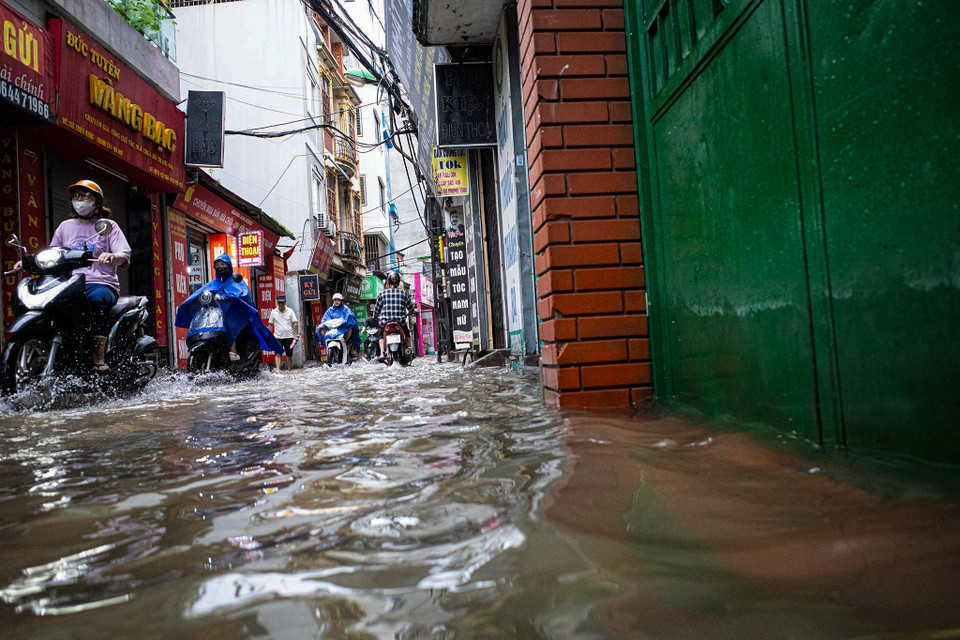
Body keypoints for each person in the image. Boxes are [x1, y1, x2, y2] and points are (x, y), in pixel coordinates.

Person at [14, 180, 131, 372]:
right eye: (77, 196)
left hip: (100, 282)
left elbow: (124, 255)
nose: (80, 200)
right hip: (69, 283)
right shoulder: (65, 226)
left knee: (95, 300)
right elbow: (53, 253)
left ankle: (98, 357)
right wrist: (31, 262)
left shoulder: (108, 226)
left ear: (97, 202)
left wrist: (112, 256)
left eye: (86, 196)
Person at [174, 252, 284, 358]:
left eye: (222, 264)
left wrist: (231, 296)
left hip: (235, 314)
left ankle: (233, 350)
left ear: (228, 266)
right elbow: (199, 294)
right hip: (215, 317)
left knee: (230, 324)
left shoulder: (236, 282)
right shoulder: (212, 283)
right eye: (217, 264)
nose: (219, 267)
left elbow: (244, 294)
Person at [373, 272, 417, 359]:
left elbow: (376, 310)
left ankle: (382, 353)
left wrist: (375, 316)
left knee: (380, 334)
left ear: (388, 282)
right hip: (400, 323)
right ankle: (409, 350)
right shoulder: (404, 294)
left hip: (385, 323)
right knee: (407, 334)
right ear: (398, 282)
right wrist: (411, 312)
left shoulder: (382, 294)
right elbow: (411, 308)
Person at [316, 293, 361, 357]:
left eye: (338, 300)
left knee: (353, 329)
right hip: (333, 328)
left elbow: (350, 316)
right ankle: (323, 344)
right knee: (319, 328)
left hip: (343, 327)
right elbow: (325, 318)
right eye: (335, 300)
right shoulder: (330, 310)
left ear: (341, 301)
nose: (336, 301)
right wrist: (324, 324)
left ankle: (354, 347)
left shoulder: (345, 309)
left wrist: (345, 321)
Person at [268, 294, 299, 372]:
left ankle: (289, 370)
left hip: (289, 337)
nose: (281, 304)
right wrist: (268, 336)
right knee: (278, 353)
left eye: (282, 303)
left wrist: (296, 335)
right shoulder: (274, 312)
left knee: (289, 355)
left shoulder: (290, 311)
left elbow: (295, 323)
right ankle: (278, 369)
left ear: (285, 302)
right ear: (277, 303)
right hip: (278, 337)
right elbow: (271, 324)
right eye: (279, 303)